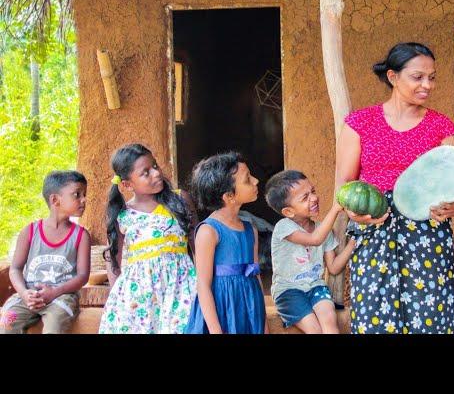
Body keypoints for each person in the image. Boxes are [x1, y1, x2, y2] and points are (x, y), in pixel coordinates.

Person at [335, 42, 454, 334]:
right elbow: (344, 185)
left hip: (427, 236)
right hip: (374, 232)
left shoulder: (442, 127)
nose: (427, 85)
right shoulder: (359, 123)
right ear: (393, 77)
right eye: (418, 77)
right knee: (373, 318)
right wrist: (353, 212)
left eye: (432, 77)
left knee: (429, 317)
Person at [99, 143, 196, 334]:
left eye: (155, 166)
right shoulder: (123, 214)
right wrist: (119, 295)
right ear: (127, 184)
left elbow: (196, 242)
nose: (156, 173)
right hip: (140, 295)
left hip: (182, 286)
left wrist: (203, 282)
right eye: (146, 172)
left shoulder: (179, 200)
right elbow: (113, 258)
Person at [185, 152, 267, 334]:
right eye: (247, 180)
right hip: (222, 309)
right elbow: (203, 285)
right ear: (229, 196)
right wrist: (215, 330)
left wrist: (263, 323)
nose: (255, 181)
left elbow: (255, 275)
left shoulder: (250, 229)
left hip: (249, 307)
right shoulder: (208, 231)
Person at [265, 170, 355, 333]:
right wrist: (335, 209)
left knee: (329, 321)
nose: (314, 198)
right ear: (288, 212)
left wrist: (354, 243)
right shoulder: (284, 227)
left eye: (312, 191)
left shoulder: (322, 229)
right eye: (305, 198)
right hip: (288, 292)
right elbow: (314, 239)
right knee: (314, 330)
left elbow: (333, 267)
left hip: (316, 287)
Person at [1, 170, 90, 334]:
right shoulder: (30, 231)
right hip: (29, 296)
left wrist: (55, 292)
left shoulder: (81, 236)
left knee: (55, 325)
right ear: (55, 199)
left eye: (84, 194)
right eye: (77, 194)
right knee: (7, 320)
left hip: (62, 296)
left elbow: (83, 276)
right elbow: (15, 269)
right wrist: (24, 293)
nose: (84, 199)